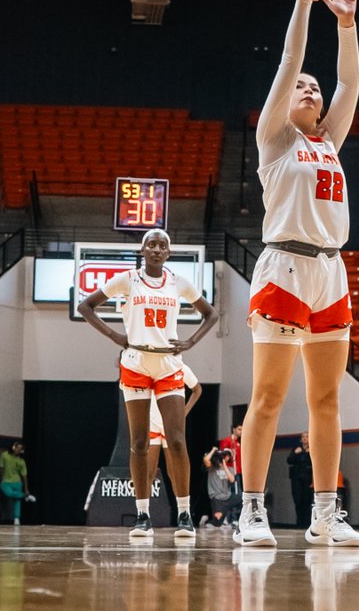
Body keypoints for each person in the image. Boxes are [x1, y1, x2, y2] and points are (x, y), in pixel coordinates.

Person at [236, 0, 359, 549]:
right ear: (283, 103)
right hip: (285, 267)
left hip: (331, 272)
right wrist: (304, 4)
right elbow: (291, 59)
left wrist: (347, 23)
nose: (311, 89)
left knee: (326, 401)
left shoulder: (329, 141)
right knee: (267, 398)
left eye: (316, 89)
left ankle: (324, 513)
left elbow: (350, 79)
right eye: (302, 88)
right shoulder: (274, 139)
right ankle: (252, 509)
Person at [78, 228, 217, 543]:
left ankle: (184, 514)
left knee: (177, 441)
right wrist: (116, 336)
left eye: (163, 245)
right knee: (139, 444)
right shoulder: (127, 279)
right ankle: (143, 515)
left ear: (169, 252)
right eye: (151, 244)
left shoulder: (179, 282)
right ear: (142, 250)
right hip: (136, 363)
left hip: (168, 363)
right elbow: (85, 306)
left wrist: (190, 342)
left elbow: (210, 315)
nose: (157, 248)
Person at [146, 365, 202, 516]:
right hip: (152, 423)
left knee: (174, 472)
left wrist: (186, 410)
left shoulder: (180, 367)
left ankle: (184, 513)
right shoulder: (149, 366)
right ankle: (143, 514)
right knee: (148, 473)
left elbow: (197, 389)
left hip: (170, 424)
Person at [203, 447, 241, 528]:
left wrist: (224, 465)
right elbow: (206, 460)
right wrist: (213, 450)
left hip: (227, 496)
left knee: (241, 499)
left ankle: (234, 520)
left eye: (227, 455)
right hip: (216, 497)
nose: (225, 456)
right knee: (217, 523)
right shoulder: (212, 467)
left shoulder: (230, 469)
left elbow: (232, 480)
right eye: (224, 455)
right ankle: (209, 520)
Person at [0, 441, 35, 526]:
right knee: (9, 493)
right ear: (13, 447)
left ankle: (16, 518)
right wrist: (1, 480)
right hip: (6, 482)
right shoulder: (4, 455)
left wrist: (26, 489)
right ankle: (26, 496)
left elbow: (24, 476)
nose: (18, 450)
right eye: (17, 447)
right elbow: (1, 467)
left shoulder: (22, 461)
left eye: (20, 449)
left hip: (17, 482)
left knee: (17, 500)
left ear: (22, 451)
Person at [288, 431, 314, 529]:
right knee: (298, 500)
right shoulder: (297, 448)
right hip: (297, 478)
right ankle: (299, 522)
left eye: (306, 436)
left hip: (308, 478)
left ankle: (307, 523)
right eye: (303, 437)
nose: (304, 438)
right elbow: (289, 460)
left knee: (307, 500)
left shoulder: (312, 449)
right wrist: (295, 453)